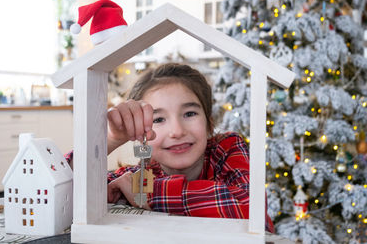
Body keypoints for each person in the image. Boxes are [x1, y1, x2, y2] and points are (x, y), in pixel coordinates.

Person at [65, 63, 274, 232]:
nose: (176, 131)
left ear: (209, 123)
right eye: (158, 119)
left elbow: (251, 208)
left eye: (189, 114)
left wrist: (148, 192)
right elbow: (63, 187)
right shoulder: (137, 176)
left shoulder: (228, 148)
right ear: (139, 134)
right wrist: (109, 140)